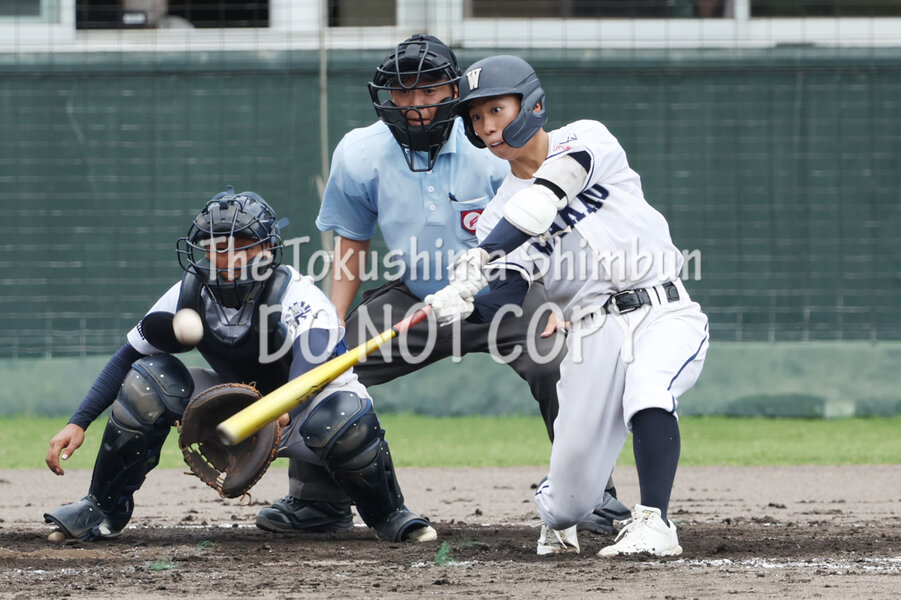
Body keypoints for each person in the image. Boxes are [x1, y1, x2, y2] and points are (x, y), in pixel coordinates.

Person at [255, 34, 629, 537]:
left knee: (559, 362)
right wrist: (330, 327)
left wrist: (559, 304)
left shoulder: (494, 148)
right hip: (420, 297)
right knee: (328, 368)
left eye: (428, 91)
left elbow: (550, 227)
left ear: (454, 92)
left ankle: (593, 494)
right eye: (402, 92)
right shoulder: (359, 153)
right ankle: (318, 501)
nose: (414, 104)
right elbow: (350, 249)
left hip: (511, 292)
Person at [424, 55, 710, 557]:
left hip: (662, 308)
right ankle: (555, 509)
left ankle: (655, 522)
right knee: (569, 503)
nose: (487, 126)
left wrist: (482, 255)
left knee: (648, 389)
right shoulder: (495, 216)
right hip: (591, 333)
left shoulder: (586, 138)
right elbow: (506, 296)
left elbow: (543, 199)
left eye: (497, 109)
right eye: (476, 116)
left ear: (531, 105)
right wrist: (461, 303)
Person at [43, 187, 436, 544]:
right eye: (215, 246)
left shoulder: (296, 293)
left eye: (241, 244)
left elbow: (313, 362)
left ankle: (390, 514)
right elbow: (128, 354)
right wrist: (79, 422)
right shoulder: (190, 291)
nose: (225, 256)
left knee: (344, 414)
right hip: (235, 406)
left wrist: (278, 411)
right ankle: (102, 509)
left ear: (267, 249)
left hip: (302, 411)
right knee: (148, 382)